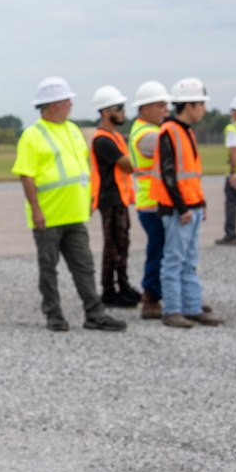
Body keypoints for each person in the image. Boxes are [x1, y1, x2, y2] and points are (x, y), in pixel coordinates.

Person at [12, 77, 126, 333]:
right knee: (48, 269)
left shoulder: (73, 130)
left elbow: (83, 169)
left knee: (84, 266)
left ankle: (94, 314)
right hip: (48, 216)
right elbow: (26, 175)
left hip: (75, 214)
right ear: (52, 105)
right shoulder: (32, 135)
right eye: (66, 101)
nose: (70, 104)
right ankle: (54, 314)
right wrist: (36, 210)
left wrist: (88, 200)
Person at [148, 78, 225, 328]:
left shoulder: (185, 131)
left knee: (189, 260)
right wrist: (182, 208)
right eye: (201, 104)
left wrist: (200, 203)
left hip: (191, 206)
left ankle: (192, 307)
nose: (203, 109)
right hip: (178, 209)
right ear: (189, 105)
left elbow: (189, 174)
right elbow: (169, 175)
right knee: (174, 259)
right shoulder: (169, 131)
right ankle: (172, 310)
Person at [89, 86, 140, 308]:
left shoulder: (115, 137)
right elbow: (127, 164)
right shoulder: (103, 140)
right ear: (104, 111)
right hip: (110, 200)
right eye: (118, 108)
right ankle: (111, 290)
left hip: (119, 198)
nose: (122, 113)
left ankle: (122, 286)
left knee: (121, 244)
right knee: (114, 246)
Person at [128, 81, 170, 319]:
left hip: (154, 201)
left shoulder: (145, 129)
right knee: (159, 251)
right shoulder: (149, 135)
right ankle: (152, 296)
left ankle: (161, 294)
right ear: (145, 108)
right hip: (153, 202)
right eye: (160, 105)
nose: (166, 110)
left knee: (163, 250)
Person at [215, 95, 236, 246]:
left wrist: (232, 173)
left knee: (232, 204)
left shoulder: (234, 128)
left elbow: (234, 152)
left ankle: (231, 235)